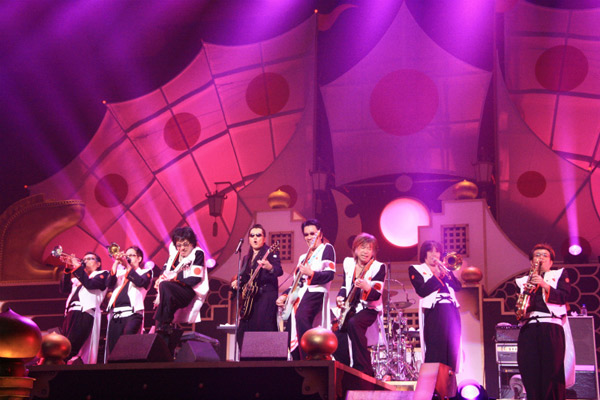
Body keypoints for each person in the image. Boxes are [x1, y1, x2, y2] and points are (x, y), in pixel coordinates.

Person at [516, 243, 572, 400]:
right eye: (537, 255)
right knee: (529, 370)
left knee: (551, 371)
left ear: (551, 262)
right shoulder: (521, 281)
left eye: (545, 255)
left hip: (551, 326)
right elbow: (517, 308)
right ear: (531, 261)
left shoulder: (559, 274)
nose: (541, 258)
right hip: (529, 328)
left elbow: (563, 296)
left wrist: (544, 284)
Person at [276, 219, 336, 360]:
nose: (309, 237)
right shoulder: (303, 257)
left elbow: (329, 274)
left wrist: (311, 273)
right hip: (300, 295)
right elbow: (296, 283)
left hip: (316, 291)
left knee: (301, 317)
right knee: (290, 327)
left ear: (320, 234)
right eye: (306, 234)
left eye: (312, 233)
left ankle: (311, 356)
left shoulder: (327, 249)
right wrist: (284, 295)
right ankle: (298, 361)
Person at [333, 233, 385, 376]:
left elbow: (376, 294)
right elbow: (345, 286)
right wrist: (340, 296)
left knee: (354, 323)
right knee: (337, 335)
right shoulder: (348, 263)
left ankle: (363, 369)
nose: (366, 251)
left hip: (369, 308)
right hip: (350, 308)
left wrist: (366, 287)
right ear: (355, 249)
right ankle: (345, 369)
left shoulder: (378, 267)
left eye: (369, 248)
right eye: (363, 247)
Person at [408, 240, 461, 372]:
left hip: (451, 309)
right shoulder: (416, 269)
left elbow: (458, 287)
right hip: (435, 310)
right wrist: (436, 276)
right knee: (436, 345)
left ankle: (450, 377)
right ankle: (435, 378)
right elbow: (422, 290)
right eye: (430, 251)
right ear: (424, 254)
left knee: (452, 346)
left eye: (437, 251)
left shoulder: (445, 268)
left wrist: (447, 272)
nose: (434, 255)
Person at [231, 224, 283, 351]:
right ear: (249, 239)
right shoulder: (246, 258)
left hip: (266, 296)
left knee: (263, 329)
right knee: (243, 331)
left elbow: (279, 270)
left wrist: (270, 267)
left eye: (258, 235)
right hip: (250, 299)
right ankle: (247, 359)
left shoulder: (270, 252)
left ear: (264, 238)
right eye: (252, 235)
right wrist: (237, 283)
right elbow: (244, 277)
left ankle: (267, 358)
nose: (255, 238)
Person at [153, 227, 209, 336]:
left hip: (187, 292)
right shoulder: (174, 255)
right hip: (170, 290)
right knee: (163, 288)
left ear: (192, 244)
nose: (182, 248)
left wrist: (174, 278)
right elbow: (164, 269)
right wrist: (160, 278)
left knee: (165, 286)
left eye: (185, 244)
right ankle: (164, 325)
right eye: (179, 245)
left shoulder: (197, 253)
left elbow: (195, 279)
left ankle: (164, 323)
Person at [59, 251, 109, 364]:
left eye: (90, 259)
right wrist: (67, 269)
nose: (86, 261)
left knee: (72, 344)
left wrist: (77, 266)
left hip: (84, 312)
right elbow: (64, 289)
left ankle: (60, 365)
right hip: (71, 312)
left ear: (98, 264)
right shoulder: (77, 279)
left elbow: (90, 284)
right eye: (84, 259)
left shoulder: (103, 274)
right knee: (64, 343)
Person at [105, 246, 153, 357]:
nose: (127, 258)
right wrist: (116, 263)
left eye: (131, 255)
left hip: (133, 313)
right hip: (115, 314)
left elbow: (140, 282)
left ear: (139, 259)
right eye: (126, 255)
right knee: (113, 350)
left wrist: (127, 265)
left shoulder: (146, 272)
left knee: (127, 345)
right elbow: (108, 284)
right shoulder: (120, 274)